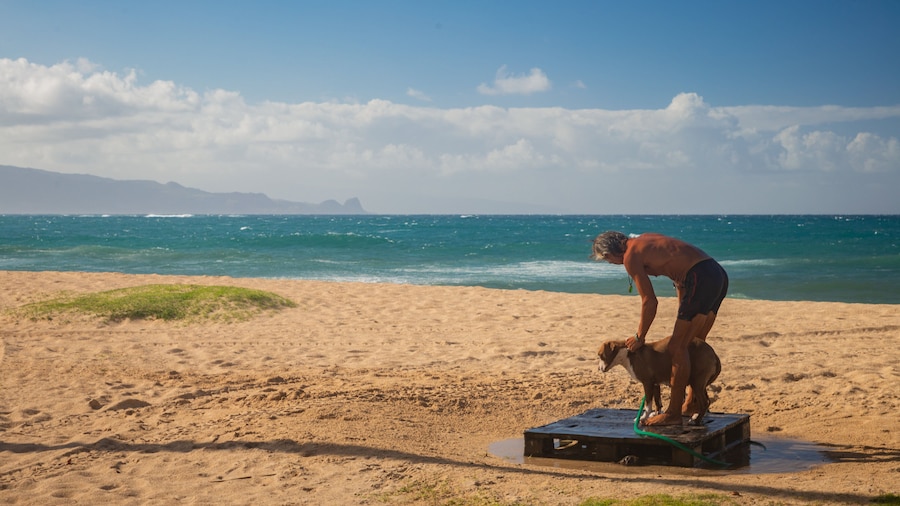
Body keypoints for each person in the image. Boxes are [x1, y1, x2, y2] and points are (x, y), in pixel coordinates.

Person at [592, 231, 728, 426]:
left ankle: (672, 413)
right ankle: (691, 404)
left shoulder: (631, 256)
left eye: (608, 260)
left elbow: (650, 302)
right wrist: (683, 305)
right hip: (715, 273)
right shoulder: (646, 239)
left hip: (699, 278)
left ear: (609, 253)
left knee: (677, 348)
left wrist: (640, 336)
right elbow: (678, 262)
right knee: (693, 344)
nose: (612, 264)